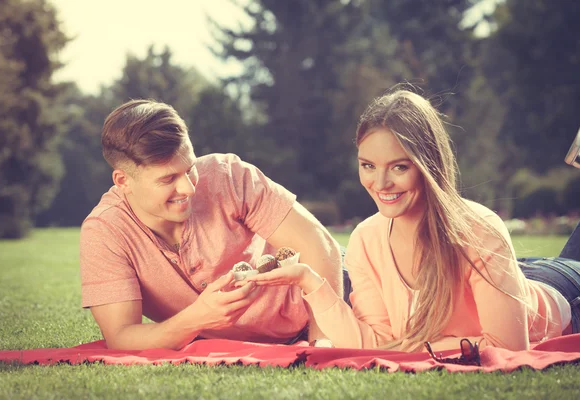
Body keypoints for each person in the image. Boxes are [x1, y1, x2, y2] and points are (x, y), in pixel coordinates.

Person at [243, 89, 580, 352]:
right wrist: (310, 282)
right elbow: (375, 343)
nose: (380, 183)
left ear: (428, 165)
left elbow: (507, 349)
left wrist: (413, 346)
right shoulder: (365, 240)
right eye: (368, 165)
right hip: (511, 276)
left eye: (399, 167)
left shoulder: (479, 229)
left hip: (560, 290)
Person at [79, 99, 343, 350]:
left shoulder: (227, 175)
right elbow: (122, 335)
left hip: (340, 294)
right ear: (123, 181)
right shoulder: (105, 232)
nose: (189, 188)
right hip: (258, 343)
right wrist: (197, 319)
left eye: (190, 168)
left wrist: (322, 341)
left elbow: (320, 247)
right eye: (168, 179)